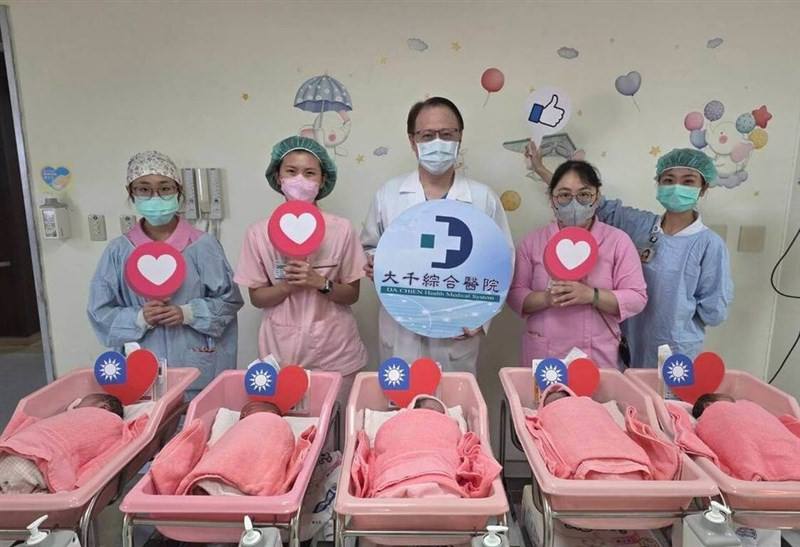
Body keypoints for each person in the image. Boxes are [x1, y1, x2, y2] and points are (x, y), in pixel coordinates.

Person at [526, 144, 733, 367]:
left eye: (688, 181)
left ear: (703, 188)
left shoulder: (709, 244)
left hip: (675, 346)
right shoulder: (639, 225)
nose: (676, 187)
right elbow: (581, 197)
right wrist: (540, 169)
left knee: (666, 400)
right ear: (658, 184)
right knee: (630, 399)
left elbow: (714, 311)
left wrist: (677, 317)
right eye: (669, 180)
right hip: (629, 340)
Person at [361, 97, 512, 374]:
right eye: (427, 135)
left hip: (456, 331)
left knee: (455, 411)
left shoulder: (482, 198)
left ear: (459, 137)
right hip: (401, 329)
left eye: (447, 134)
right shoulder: (388, 195)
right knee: (400, 410)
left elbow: (502, 262)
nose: (437, 142)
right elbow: (370, 246)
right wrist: (375, 262)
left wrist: (483, 316)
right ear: (412, 141)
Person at [88, 151, 242, 395]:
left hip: (197, 364)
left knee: (195, 424)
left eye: (165, 188)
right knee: (146, 424)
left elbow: (230, 300)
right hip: (141, 364)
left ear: (179, 192)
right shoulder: (119, 252)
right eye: (144, 189)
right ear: (131, 193)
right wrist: (139, 318)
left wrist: (189, 313)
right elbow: (99, 311)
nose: (155, 196)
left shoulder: (203, 246)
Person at [235, 136, 367, 410]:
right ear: (278, 177)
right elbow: (257, 297)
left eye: (310, 173)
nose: (300, 180)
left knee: (335, 430)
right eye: (291, 171)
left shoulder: (341, 230)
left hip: (336, 352)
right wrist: (288, 286)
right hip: (281, 351)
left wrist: (320, 283)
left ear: (322, 181)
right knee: (287, 431)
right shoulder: (259, 233)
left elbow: (352, 294)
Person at [508, 160, 647, 368]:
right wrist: (546, 298)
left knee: (595, 401)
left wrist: (592, 295)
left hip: (597, 356)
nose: (574, 203)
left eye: (584, 194)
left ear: (597, 197)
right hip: (544, 354)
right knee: (545, 400)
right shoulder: (533, 242)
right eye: (564, 195)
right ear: (552, 199)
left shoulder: (618, 241)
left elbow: (637, 297)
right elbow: (515, 294)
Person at [351, 395, 500, 499]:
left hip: (434, 472)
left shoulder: (446, 424)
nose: (429, 411)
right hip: (429, 480)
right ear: (412, 410)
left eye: (436, 411)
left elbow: (377, 447)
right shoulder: (399, 421)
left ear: (444, 416)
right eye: (424, 408)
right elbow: (385, 438)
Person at [0, 393, 140, 494]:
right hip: (36, 461)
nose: (75, 408)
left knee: (12, 489)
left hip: (15, 454)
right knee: (27, 498)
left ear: (104, 408)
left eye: (81, 405)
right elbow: (103, 457)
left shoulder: (108, 418)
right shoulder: (116, 425)